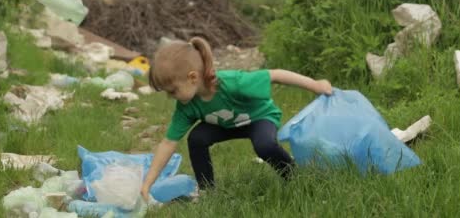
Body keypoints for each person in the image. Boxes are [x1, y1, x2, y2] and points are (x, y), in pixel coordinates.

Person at [140, 37, 332, 201]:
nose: (171, 97)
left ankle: (294, 176)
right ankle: (207, 190)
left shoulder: (233, 83)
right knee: (197, 138)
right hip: (228, 125)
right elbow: (168, 142)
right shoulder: (186, 107)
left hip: (259, 118)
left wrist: (316, 85)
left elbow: (275, 75)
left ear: (192, 77)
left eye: (173, 91)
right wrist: (148, 183)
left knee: (264, 146)